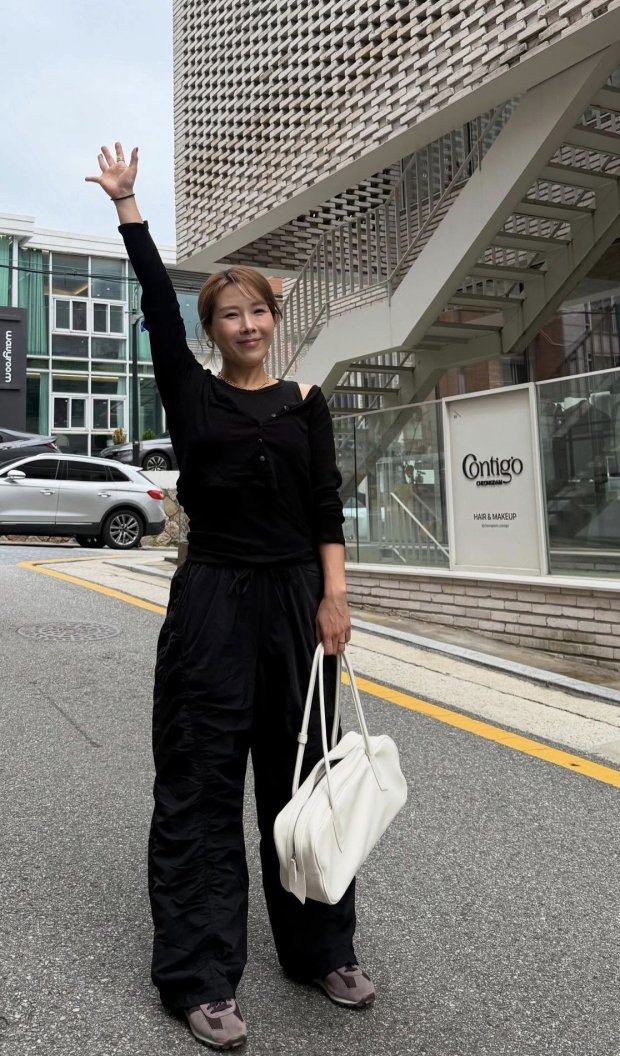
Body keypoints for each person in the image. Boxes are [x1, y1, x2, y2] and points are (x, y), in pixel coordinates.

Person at [86, 143, 375, 1051]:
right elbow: (152, 301)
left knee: (307, 778)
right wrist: (130, 210)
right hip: (211, 600)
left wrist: (335, 597)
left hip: (297, 602)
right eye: (228, 314)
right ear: (210, 328)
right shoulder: (193, 394)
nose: (246, 324)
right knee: (201, 784)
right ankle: (201, 975)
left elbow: (325, 503)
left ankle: (321, 948)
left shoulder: (305, 401)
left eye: (257, 311)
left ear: (273, 320)